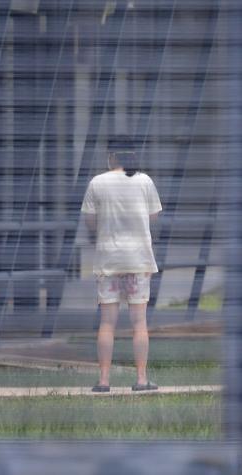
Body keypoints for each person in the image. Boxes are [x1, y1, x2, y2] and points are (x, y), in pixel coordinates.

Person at [81, 136, 162, 392]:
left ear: (111, 157)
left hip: (108, 259)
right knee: (139, 322)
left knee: (107, 323)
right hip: (138, 259)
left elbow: (90, 222)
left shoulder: (97, 182)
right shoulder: (145, 181)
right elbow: (154, 216)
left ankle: (104, 380)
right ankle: (141, 379)